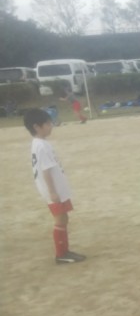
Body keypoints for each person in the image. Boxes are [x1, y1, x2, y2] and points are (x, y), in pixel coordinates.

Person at [24, 108, 87, 264]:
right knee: (60, 219)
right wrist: (52, 192)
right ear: (36, 127)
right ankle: (61, 254)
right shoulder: (41, 146)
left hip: (56, 188)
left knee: (64, 218)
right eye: (47, 124)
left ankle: (65, 251)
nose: (50, 126)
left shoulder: (39, 143)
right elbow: (45, 170)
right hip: (53, 190)